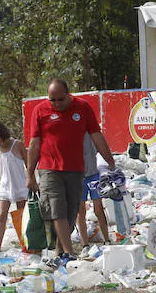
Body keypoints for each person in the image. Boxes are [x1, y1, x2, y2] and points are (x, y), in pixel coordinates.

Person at [26, 78, 115, 266]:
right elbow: (34, 144)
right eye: (53, 100)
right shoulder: (40, 111)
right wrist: (29, 174)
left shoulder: (82, 108)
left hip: (75, 169)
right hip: (49, 168)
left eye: (60, 99)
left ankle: (59, 251)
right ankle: (69, 252)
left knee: (71, 212)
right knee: (56, 208)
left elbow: (96, 135)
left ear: (68, 94)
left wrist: (109, 159)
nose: (57, 104)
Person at [0, 121, 27, 252]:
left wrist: (33, 180)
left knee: (22, 216)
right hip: (5, 186)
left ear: (3, 134)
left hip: (20, 184)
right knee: (2, 216)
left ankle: (25, 243)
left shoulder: (17, 144)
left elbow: (28, 163)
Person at [76, 132, 110, 246]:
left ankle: (107, 240)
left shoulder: (91, 132)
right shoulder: (71, 131)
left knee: (98, 209)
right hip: (79, 176)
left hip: (93, 174)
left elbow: (102, 148)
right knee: (81, 212)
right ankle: (84, 244)